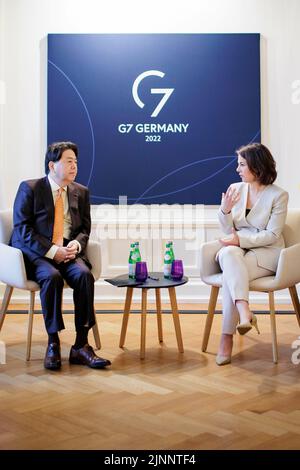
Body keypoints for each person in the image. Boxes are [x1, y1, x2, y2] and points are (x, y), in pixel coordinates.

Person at [11, 141, 111, 371]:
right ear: (52, 165)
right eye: (68, 161)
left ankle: (81, 345)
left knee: (85, 275)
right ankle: (53, 342)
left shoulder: (81, 192)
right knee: (52, 277)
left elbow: (85, 228)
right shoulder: (31, 188)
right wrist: (52, 251)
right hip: (37, 253)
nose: (74, 166)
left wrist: (76, 244)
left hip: (67, 250)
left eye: (75, 161)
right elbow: (22, 229)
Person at [215, 142, 288, 365]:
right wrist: (225, 210)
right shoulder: (235, 188)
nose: (237, 169)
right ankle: (244, 312)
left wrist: (239, 239)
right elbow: (227, 230)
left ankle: (225, 339)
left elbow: (273, 235)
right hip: (237, 251)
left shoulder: (279, 196)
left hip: (267, 254)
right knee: (229, 256)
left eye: (242, 165)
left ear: (257, 167)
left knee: (230, 275)